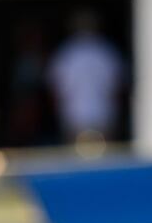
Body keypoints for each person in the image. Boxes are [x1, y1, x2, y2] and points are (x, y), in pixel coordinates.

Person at [47, 10, 125, 145]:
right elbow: (118, 88)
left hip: (74, 117)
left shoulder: (66, 52)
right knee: (106, 161)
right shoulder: (107, 51)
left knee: (75, 161)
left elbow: (55, 89)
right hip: (103, 116)